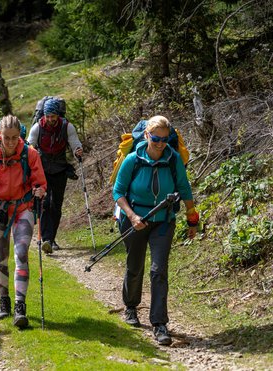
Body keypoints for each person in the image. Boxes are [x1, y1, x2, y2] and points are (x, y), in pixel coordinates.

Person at [112, 115, 199, 346]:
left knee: (159, 270)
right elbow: (118, 192)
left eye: (164, 139)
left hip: (163, 220)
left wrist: (192, 216)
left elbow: (184, 187)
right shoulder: (133, 160)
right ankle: (131, 307)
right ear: (147, 135)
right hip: (134, 219)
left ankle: (159, 323)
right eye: (156, 138)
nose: (160, 143)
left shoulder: (173, 160)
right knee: (135, 265)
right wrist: (132, 216)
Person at [0, 115, 47, 328]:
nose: (10, 142)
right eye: (6, 137)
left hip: (23, 208)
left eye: (14, 138)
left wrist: (39, 190)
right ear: (0, 136)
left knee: (22, 254)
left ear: (20, 137)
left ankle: (19, 306)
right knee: (1, 257)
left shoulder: (30, 154)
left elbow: (41, 183)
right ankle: (4, 300)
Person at [27, 98, 83, 254]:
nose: (50, 119)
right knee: (45, 203)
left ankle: (51, 239)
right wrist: (32, 152)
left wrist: (77, 150)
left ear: (58, 115)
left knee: (56, 205)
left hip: (60, 169)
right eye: (48, 116)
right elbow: (29, 146)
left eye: (53, 116)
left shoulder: (67, 127)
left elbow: (75, 142)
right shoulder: (37, 128)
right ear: (43, 115)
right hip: (42, 170)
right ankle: (47, 239)